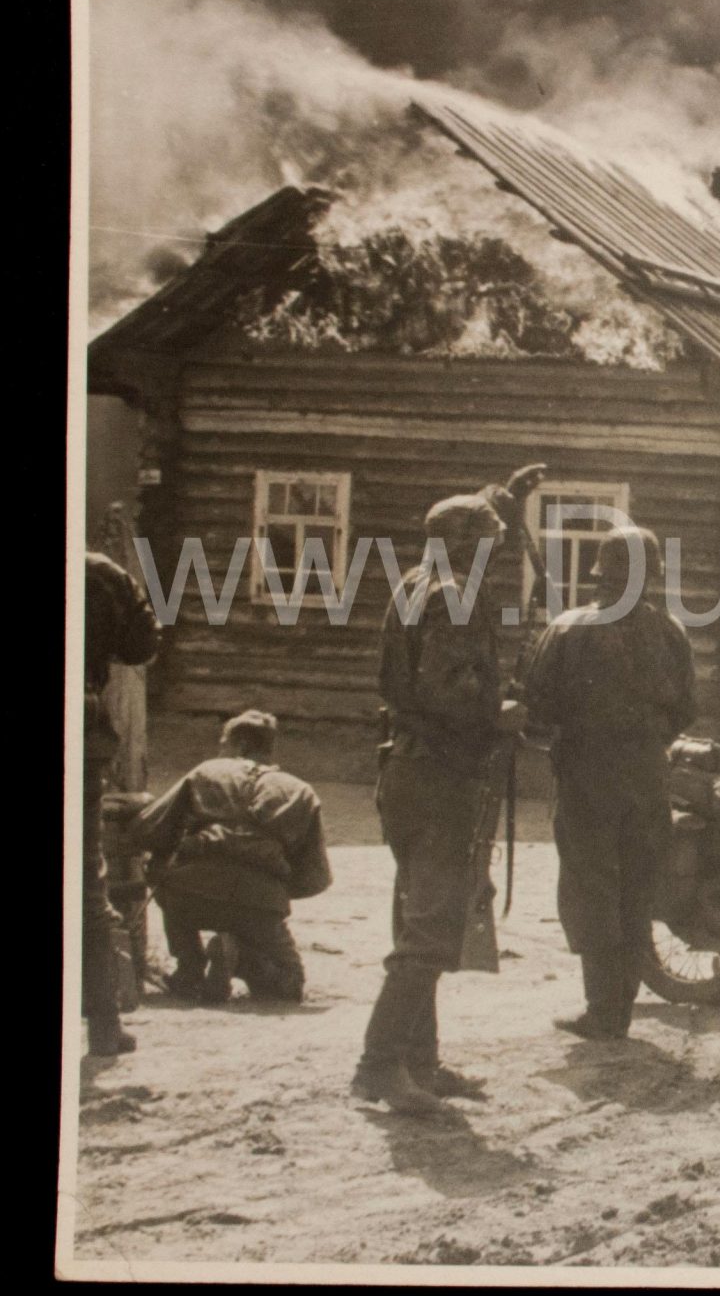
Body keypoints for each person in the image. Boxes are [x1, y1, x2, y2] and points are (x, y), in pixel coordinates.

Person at [352, 470, 539, 1115]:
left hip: (406, 772)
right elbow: (452, 692)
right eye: (489, 544)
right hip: (440, 776)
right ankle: (379, 1065)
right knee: (431, 929)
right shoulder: (456, 596)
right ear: (467, 549)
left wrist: (506, 498)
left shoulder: (414, 582)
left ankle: (420, 1063)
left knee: (418, 918)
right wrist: (503, 711)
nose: (497, 555)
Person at [523, 524, 697, 1041]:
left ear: (600, 575)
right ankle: (620, 1002)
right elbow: (686, 710)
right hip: (647, 774)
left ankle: (605, 1011)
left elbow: (536, 710)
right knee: (636, 886)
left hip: (587, 776)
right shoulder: (671, 631)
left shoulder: (569, 628)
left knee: (591, 886)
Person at [134, 711, 331, 1004]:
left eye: (223, 743)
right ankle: (239, 956)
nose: (220, 750)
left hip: (190, 895)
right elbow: (315, 875)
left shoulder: (206, 772)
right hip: (260, 904)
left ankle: (189, 968)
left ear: (239, 745)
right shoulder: (301, 792)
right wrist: (276, 890)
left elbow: (150, 826)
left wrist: (171, 858)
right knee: (289, 987)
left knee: (164, 873)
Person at [81, 551, 162, 1056]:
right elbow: (142, 646)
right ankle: (104, 1027)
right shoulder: (100, 571)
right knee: (86, 883)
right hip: (79, 730)